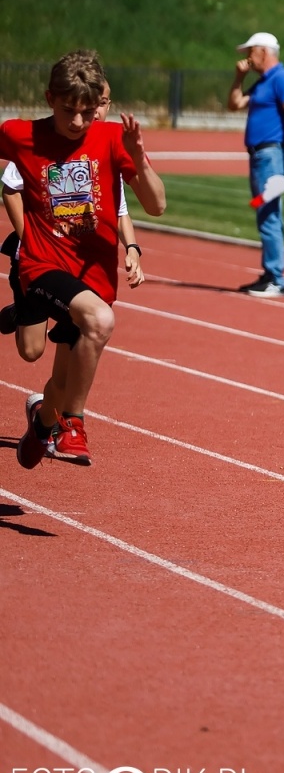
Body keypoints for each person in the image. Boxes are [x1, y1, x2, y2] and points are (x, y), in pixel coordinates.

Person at [3, 50, 166, 467]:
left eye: (87, 112)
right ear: (50, 99)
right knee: (82, 328)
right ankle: (73, 424)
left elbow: (156, 205)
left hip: (92, 277)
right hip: (41, 265)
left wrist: (140, 156)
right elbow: (9, 186)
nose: (77, 122)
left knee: (62, 379)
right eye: (68, 110)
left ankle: (43, 423)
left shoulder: (113, 139)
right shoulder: (21, 134)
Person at [1, 78, 145, 362]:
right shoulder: (42, 144)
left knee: (86, 321)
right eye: (90, 106)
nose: (97, 112)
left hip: (80, 256)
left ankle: (59, 403)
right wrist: (29, 238)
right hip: (38, 254)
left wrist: (132, 247)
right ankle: (20, 313)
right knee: (31, 351)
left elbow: (119, 209)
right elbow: (10, 191)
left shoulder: (109, 146)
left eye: (102, 105)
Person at [228, 31, 284, 297]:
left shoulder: (281, 79)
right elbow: (235, 104)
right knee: (266, 213)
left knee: (270, 214)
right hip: (260, 155)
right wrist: (239, 79)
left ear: (264, 51)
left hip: (272, 155)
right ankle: (270, 274)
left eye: (251, 52)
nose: (248, 58)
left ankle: (277, 278)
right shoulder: (263, 82)